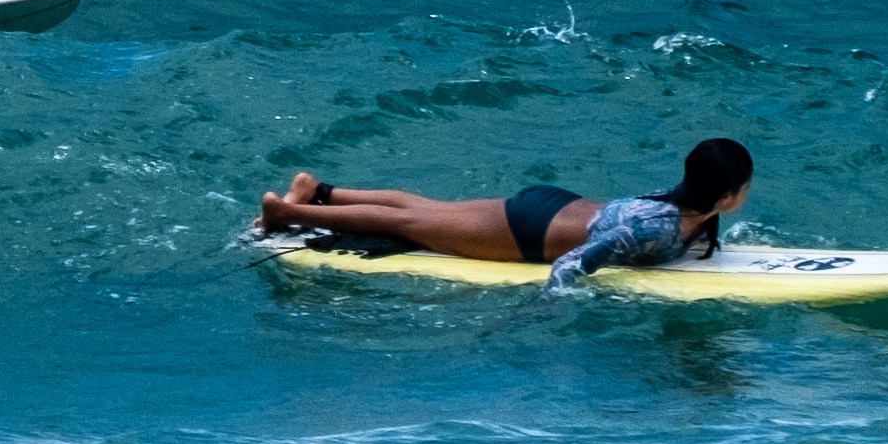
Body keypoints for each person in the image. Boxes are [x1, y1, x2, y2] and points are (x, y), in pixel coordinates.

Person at [262, 138, 755, 288]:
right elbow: (570, 264)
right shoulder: (654, 225)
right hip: (530, 231)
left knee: (432, 211)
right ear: (728, 195)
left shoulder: (687, 205)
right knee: (411, 225)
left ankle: (319, 190)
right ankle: (286, 214)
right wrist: (551, 312)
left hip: (559, 206)